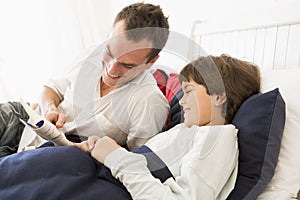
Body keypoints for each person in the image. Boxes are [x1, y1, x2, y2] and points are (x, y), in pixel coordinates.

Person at [0, 54, 261, 200]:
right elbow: (139, 163)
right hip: (90, 168)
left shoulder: (218, 138)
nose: (181, 100)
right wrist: (102, 149)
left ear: (219, 96)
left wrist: (114, 156)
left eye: (188, 91)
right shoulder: (187, 132)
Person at [0, 2, 170, 157]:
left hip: (50, 155)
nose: (111, 69)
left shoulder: (148, 102)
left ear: (151, 62)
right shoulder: (92, 54)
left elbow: (135, 162)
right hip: (24, 121)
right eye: (109, 52)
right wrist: (49, 108)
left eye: (127, 65)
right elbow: (53, 87)